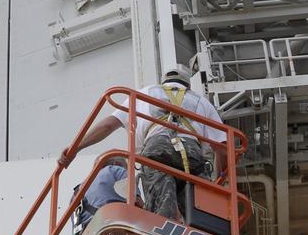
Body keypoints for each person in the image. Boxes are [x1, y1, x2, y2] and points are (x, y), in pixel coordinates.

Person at [61, 65, 229, 222]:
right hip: (192, 152)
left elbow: (108, 125)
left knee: (163, 210)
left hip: (157, 150)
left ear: (163, 81)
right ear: (188, 85)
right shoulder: (202, 102)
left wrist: (76, 147)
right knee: (199, 210)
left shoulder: (144, 93)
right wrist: (218, 181)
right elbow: (222, 148)